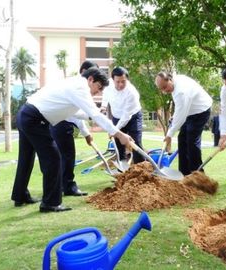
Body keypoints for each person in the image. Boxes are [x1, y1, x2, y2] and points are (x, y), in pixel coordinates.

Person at [11, 67, 132, 212]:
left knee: (26, 158)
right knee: (53, 158)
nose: (97, 92)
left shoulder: (73, 84)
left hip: (25, 114)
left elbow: (74, 114)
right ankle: (50, 203)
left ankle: (20, 195)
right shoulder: (80, 87)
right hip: (34, 119)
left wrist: (90, 116)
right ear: (91, 79)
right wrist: (120, 135)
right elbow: (95, 114)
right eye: (98, 87)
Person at [49, 60, 97, 197]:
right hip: (60, 122)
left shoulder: (76, 85)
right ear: (84, 72)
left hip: (58, 121)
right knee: (68, 155)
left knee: (63, 156)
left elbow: (76, 113)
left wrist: (86, 133)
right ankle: (68, 186)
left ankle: (63, 185)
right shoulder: (76, 86)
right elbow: (75, 114)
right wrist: (91, 119)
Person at [155, 71, 213, 176]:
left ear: (170, 79)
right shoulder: (175, 83)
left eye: (165, 87)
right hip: (189, 113)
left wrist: (169, 135)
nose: (164, 91)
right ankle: (183, 174)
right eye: (161, 89)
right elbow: (180, 109)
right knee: (182, 139)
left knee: (192, 141)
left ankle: (198, 175)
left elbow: (181, 117)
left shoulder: (181, 91)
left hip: (201, 111)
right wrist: (175, 116)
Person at [101, 66, 145, 163]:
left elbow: (126, 116)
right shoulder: (108, 85)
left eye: (123, 81)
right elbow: (105, 94)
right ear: (113, 80)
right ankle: (122, 168)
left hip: (133, 117)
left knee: (135, 142)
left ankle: (142, 169)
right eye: (118, 82)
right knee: (118, 142)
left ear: (127, 79)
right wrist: (103, 106)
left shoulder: (132, 93)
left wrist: (114, 130)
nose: (120, 84)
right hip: (116, 116)